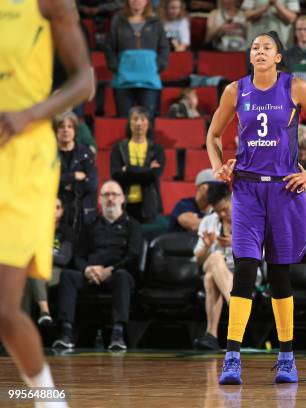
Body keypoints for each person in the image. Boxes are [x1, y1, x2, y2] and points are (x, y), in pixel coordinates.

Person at [206, 31, 306, 385]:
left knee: (281, 276)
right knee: (246, 271)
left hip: (286, 189)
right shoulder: (235, 91)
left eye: (267, 47)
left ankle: (286, 357)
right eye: (255, 47)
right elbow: (212, 136)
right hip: (248, 190)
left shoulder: (295, 87)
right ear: (249, 56)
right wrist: (219, 163)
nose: (260, 51)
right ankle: (232, 356)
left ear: (279, 56)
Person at [0, 0, 93, 403]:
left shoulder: (47, 2)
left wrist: (29, 114)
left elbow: (84, 81)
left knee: (4, 307)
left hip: (26, 163)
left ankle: (46, 396)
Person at [53, 181, 144, 351]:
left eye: (114, 195)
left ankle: (118, 334)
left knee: (122, 276)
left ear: (122, 199)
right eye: (106, 195)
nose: (110, 199)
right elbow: (79, 255)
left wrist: (109, 270)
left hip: (117, 274)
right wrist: (87, 269)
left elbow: (133, 256)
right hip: (91, 274)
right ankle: (65, 332)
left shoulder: (133, 225)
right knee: (67, 275)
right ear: (99, 200)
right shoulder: (90, 225)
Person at [105, 0, 170, 118]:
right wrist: (116, 67)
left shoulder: (156, 21)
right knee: (124, 121)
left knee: (148, 121)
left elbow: (164, 48)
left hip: (149, 80)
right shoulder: (118, 20)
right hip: (123, 80)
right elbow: (109, 47)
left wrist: (157, 66)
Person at [193, 183, 233, 350]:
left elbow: (261, 253)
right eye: (217, 211)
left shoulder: (248, 218)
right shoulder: (208, 222)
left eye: (225, 209)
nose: (222, 214)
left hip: (240, 271)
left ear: (232, 200)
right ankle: (235, 304)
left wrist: (235, 243)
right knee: (215, 258)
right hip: (213, 264)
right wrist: (207, 245)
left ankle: (211, 335)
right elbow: (198, 260)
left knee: (210, 278)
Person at [111, 106, 166, 224]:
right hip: (124, 205)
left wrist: (128, 170)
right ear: (129, 123)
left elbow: (154, 175)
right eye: (135, 119)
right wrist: (146, 170)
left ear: (149, 123)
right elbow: (116, 175)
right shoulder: (118, 148)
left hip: (148, 204)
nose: (139, 123)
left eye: (143, 119)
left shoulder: (157, 149)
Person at [55, 111, 98, 233]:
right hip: (56, 210)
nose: (66, 130)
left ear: (75, 130)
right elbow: (46, 181)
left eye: (70, 127)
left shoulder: (86, 153)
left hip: (82, 211)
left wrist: (69, 184)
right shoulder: (49, 153)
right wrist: (73, 176)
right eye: (62, 127)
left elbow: (92, 184)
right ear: (56, 131)